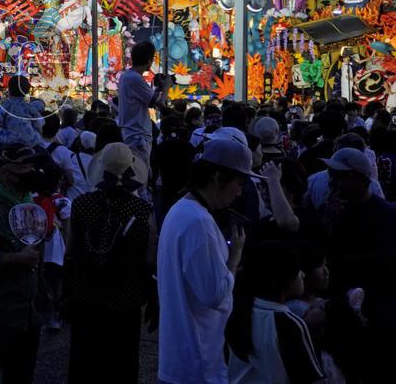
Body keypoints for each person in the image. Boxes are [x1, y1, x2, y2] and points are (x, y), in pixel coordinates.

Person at [157, 137, 256, 384]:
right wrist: (235, 257)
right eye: (238, 183)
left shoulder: (180, 209)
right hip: (199, 361)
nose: (239, 192)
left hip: (180, 354)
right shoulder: (199, 222)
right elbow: (214, 294)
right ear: (217, 178)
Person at [66, 142, 155, 383]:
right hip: (126, 297)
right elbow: (149, 258)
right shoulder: (142, 209)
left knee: (84, 362)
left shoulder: (81, 204)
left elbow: (71, 249)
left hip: (86, 293)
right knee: (122, 363)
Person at [0, 146, 50, 384]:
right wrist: (15, 258)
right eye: (24, 167)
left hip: (29, 312)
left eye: (32, 166)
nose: (32, 171)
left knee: (21, 375)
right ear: (6, 173)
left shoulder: (31, 206)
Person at [322, 146, 396, 380]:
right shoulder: (332, 208)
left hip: (375, 307)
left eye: (340, 176)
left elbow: (385, 259)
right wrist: (329, 221)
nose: (333, 182)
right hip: (339, 303)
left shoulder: (385, 214)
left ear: (359, 179)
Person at [226, 241, 325, 383]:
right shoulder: (288, 323)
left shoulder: (240, 311)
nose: (302, 275)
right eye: (297, 270)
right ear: (282, 279)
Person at [118, 40, 169, 164]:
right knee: (140, 172)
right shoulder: (135, 78)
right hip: (138, 135)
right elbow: (160, 104)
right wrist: (166, 87)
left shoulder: (126, 76)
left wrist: (159, 89)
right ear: (149, 61)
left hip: (131, 133)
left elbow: (149, 100)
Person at [0, 75, 43, 149]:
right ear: (27, 91)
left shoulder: (6, 105)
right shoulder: (29, 107)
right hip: (29, 140)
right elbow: (39, 123)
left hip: (8, 141)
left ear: (9, 90)